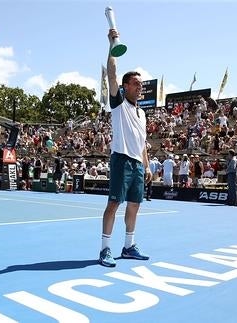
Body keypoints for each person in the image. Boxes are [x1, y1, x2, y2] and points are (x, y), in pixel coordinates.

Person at [98, 28, 152, 268]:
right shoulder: (118, 104)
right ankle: (105, 249)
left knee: (134, 205)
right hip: (121, 159)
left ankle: (129, 247)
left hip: (138, 164)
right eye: (136, 84)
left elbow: (142, 143)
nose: (140, 87)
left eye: (141, 84)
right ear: (126, 86)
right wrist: (112, 44)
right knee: (113, 204)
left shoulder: (142, 113)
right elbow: (111, 72)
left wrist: (147, 165)